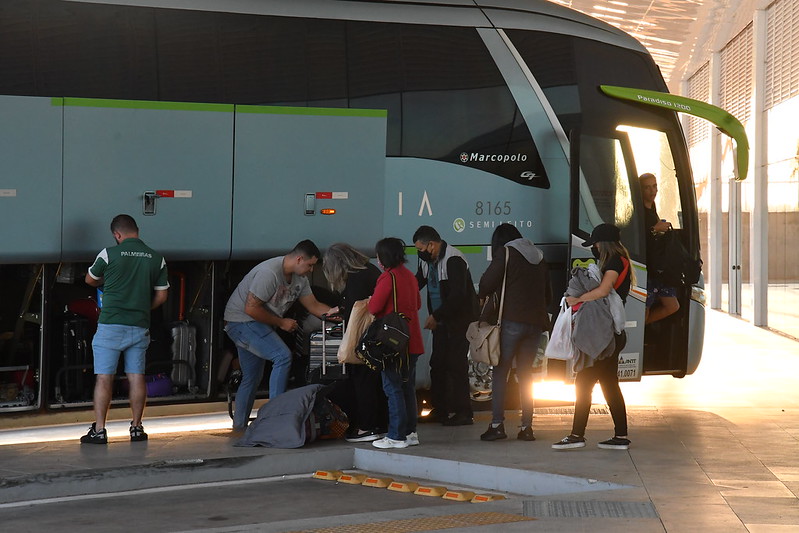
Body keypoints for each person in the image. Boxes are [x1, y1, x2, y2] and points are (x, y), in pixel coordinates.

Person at [224, 240, 338, 431]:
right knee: (282, 356)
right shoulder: (269, 273)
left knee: (252, 377)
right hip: (241, 322)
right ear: (299, 259)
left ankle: (239, 427)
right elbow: (251, 309)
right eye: (310, 265)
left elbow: (314, 306)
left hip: (257, 324)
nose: (311, 270)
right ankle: (275, 419)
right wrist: (281, 322)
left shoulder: (300, 279)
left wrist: (337, 316)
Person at [81, 214, 169, 444]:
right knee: (137, 377)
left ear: (116, 234)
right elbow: (162, 296)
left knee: (104, 378)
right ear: (137, 230)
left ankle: (99, 430)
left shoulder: (108, 254)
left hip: (110, 325)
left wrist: (106, 280)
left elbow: (90, 280)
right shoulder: (156, 258)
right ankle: (137, 428)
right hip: (139, 326)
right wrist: (143, 308)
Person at [552, 223, 634, 450]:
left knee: (584, 382)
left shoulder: (615, 262)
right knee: (609, 384)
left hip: (603, 334)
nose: (594, 248)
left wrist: (577, 299)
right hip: (611, 333)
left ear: (603, 244)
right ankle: (620, 436)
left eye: (596, 244)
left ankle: (576, 435)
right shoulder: (619, 260)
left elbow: (604, 290)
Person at [477, 224, 551, 442]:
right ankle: (527, 428)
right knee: (526, 375)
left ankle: (497, 425)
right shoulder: (539, 256)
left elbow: (485, 284)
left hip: (511, 322)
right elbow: (548, 294)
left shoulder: (506, 253)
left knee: (501, 372)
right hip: (535, 324)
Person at [412, 225, 478, 426]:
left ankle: (464, 412)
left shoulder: (453, 259)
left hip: (459, 321)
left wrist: (436, 315)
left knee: (457, 364)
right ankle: (440, 410)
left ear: (431, 245)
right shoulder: (427, 261)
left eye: (420, 249)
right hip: (441, 321)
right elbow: (418, 282)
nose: (419, 253)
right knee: (438, 363)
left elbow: (458, 295)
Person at [322, 243, 387, 442]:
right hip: (378, 336)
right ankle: (380, 424)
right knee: (375, 383)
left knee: (362, 382)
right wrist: (341, 308)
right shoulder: (369, 270)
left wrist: (343, 313)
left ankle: (366, 427)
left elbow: (356, 311)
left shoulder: (356, 278)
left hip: (365, 340)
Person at [368, 237, 424, 449]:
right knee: (407, 387)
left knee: (392, 387)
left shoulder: (387, 277)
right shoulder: (409, 276)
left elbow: (374, 308)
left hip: (393, 343)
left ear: (383, 257)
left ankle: (395, 436)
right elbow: (417, 304)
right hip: (412, 341)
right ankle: (410, 433)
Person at [640, 173, 680, 324]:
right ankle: (640, 332)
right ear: (640, 190)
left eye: (654, 186)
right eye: (647, 187)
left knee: (672, 306)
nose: (652, 191)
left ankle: (642, 328)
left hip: (659, 268)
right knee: (644, 310)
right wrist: (654, 229)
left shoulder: (652, 208)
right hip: (646, 267)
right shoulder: (638, 211)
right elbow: (636, 238)